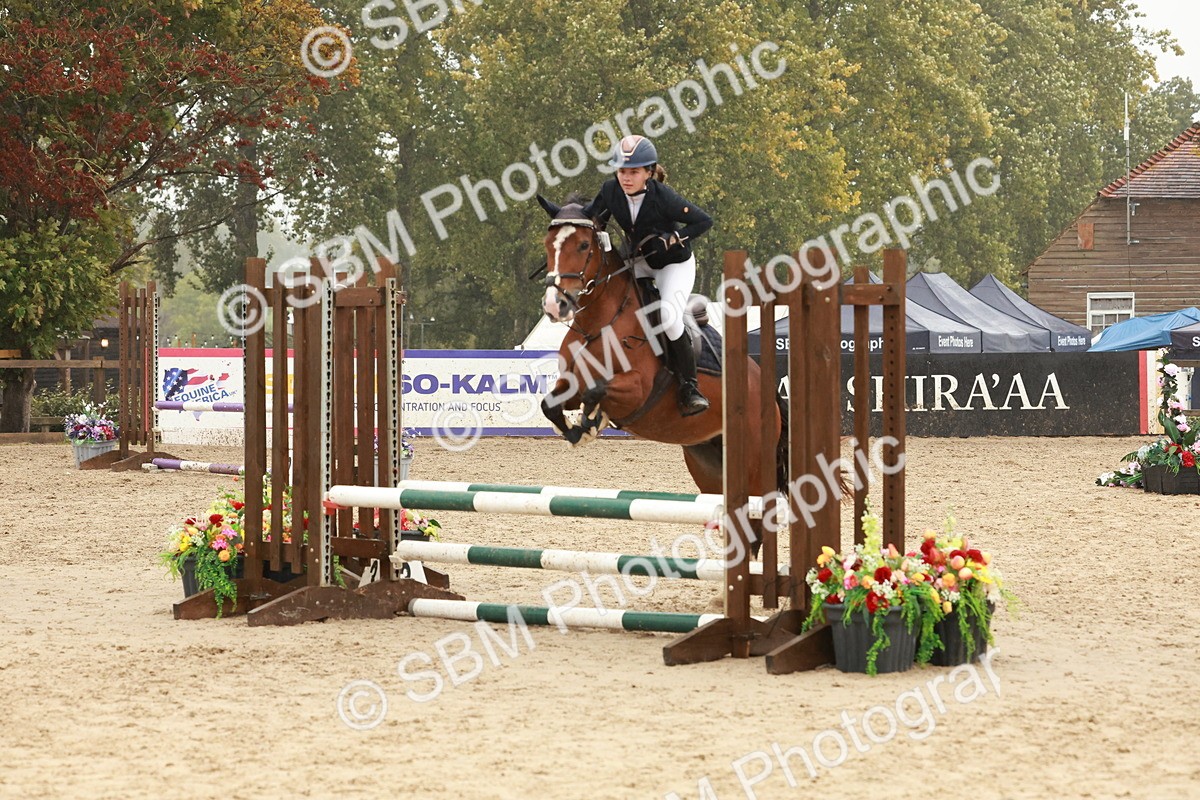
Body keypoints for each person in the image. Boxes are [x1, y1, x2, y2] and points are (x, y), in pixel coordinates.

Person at [581, 135, 713, 416]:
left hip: (672, 265)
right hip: (638, 261)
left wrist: (677, 236)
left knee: (668, 316)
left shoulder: (663, 197)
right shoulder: (610, 190)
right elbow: (593, 218)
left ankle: (689, 387)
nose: (626, 178)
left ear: (649, 173)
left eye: (634, 172)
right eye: (622, 171)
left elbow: (704, 221)